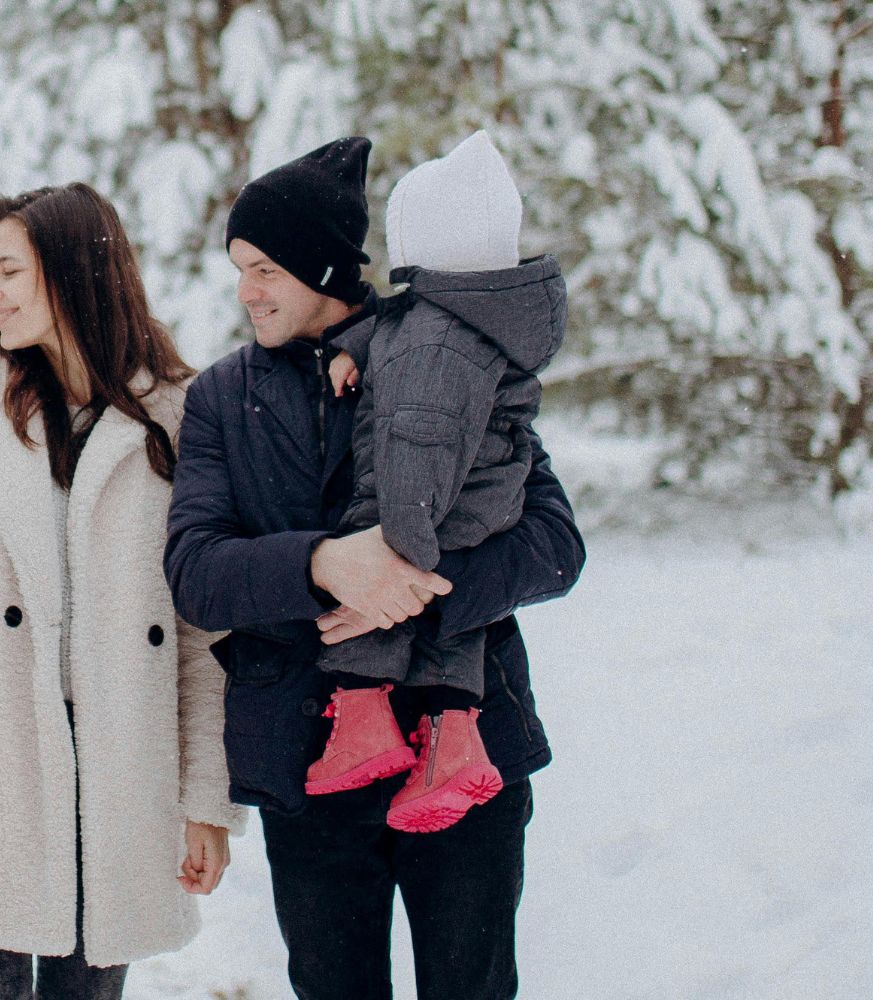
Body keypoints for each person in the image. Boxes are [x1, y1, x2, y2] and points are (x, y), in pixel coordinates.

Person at [164, 137, 585, 999]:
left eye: (264, 270)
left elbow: (553, 542)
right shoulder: (220, 400)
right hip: (312, 764)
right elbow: (198, 571)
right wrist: (327, 565)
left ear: (321, 266)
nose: (246, 292)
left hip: (465, 744)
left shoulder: (448, 355)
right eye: (240, 269)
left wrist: (414, 595)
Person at [0, 182, 242, 1000]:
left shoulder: (179, 413)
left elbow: (201, 633)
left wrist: (207, 800)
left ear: (70, 275)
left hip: (120, 771)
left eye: (9, 271)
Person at [306, 129, 567, 834]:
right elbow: (398, 328)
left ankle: (367, 723)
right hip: (478, 494)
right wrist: (355, 346)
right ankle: (451, 741)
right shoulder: (455, 320)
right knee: (455, 630)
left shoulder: (435, 345)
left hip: (432, 498)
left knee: (378, 579)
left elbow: (417, 440)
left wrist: (399, 555)